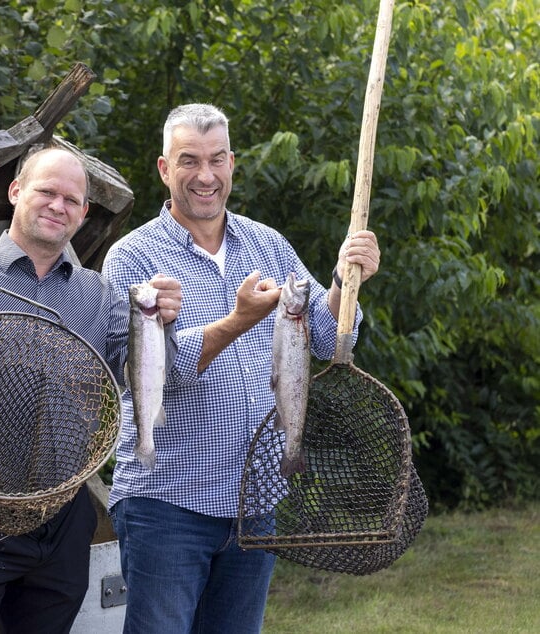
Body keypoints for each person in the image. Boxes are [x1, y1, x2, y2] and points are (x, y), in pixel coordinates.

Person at [102, 103, 382, 633]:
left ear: (232, 163)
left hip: (255, 500)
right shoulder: (131, 258)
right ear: (165, 168)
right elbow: (153, 375)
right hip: (166, 502)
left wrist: (345, 281)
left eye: (216, 160)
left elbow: (329, 340)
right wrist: (237, 320)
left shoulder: (268, 244)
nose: (204, 176)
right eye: (188, 161)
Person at [0, 146, 182, 634]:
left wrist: (161, 324)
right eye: (46, 191)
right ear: (17, 191)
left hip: (64, 512)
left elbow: (138, 378)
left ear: (83, 214)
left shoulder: (98, 293)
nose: (57, 206)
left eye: (71, 199)